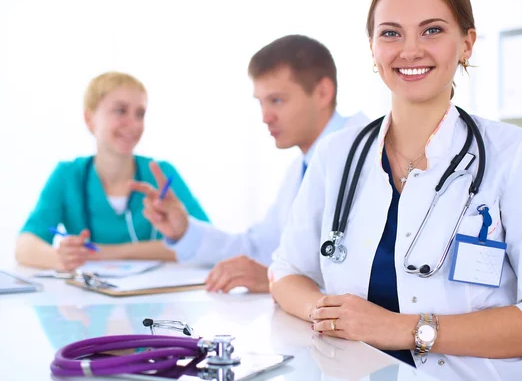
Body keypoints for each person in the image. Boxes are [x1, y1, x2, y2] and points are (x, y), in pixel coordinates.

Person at [268, 0, 522, 381]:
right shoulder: (337, 155)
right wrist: (331, 314)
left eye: (432, 30)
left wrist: (402, 328)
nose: (410, 50)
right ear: (372, 48)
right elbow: (286, 271)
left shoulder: (516, 154)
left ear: (467, 43)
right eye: (390, 33)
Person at [132, 35, 368, 293]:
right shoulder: (302, 167)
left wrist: (275, 281)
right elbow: (260, 248)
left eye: (277, 100)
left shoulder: (368, 155)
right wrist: (184, 231)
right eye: (261, 102)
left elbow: (371, 280)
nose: (265, 117)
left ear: (323, 93)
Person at [15, 72, 209, 272]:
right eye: (120, 110)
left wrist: (105, 252)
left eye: (140, 114)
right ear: (89, 119)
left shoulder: (161, 174)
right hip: (88, 300)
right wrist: (60, 258)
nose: (133, 124)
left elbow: (205, 243)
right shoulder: (68, 176)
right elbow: (25, 245)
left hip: (156, 298)